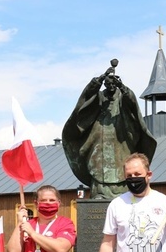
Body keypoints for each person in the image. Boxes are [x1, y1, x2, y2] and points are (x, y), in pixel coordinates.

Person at [62, 60, 157, 199]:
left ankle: (123, 192)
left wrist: (122, 86)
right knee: (99, 171)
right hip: (99, 146)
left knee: (124, 169)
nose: (111, 86)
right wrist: (98, 81)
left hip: (121, 143)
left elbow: (132, 103)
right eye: (108, 83)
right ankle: (100, 192)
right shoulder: (99, 98)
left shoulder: (123, 97)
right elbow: (86, 99)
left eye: (113, 83)